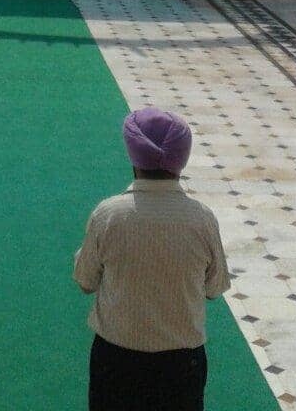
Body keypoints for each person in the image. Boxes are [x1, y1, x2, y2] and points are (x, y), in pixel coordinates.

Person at [74, 107, 230, 411]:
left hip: (117, 360)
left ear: (133, 157)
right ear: (181, 160)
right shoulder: (202, 219)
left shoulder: (108, 215)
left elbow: (85, 281)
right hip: (181, 364)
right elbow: (215, 287)